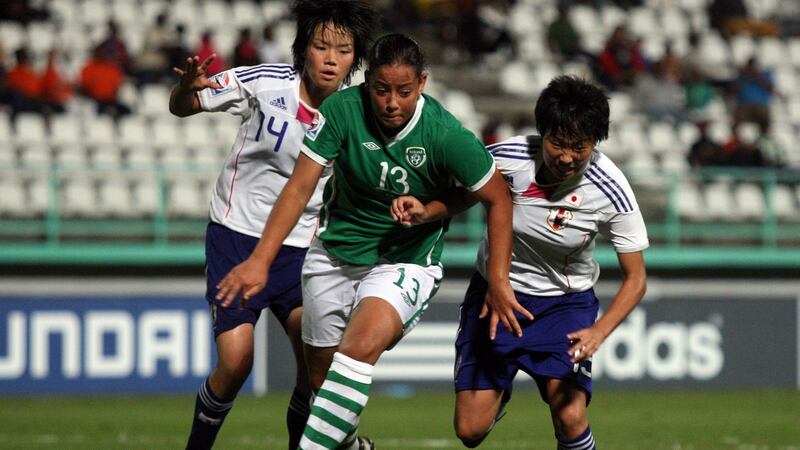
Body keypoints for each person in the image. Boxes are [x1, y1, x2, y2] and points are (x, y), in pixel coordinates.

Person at [215, 33, 526, 450]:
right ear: (366, 83)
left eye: (403, 91)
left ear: (423, 84)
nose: (391, 102)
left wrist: (497, 278)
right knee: (321, 384)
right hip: (333, 255)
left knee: (357, 350)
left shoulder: (446, 134)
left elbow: (497, 197)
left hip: (405, 259)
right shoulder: (341, 111)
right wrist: (260, 259)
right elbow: (299, 188)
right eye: (381, 90)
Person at [392, 75, 649, 449]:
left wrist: (599, 331)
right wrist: (428, 210)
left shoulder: (611, 189)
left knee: (570, 415)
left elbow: (636, 278)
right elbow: (464, 196)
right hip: (494, 297)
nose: (566, 157)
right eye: (557, 144)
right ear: (541, 133)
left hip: (564, 307)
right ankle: (500, 390)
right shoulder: (507, 158)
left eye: (579, 147)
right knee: (469, 430)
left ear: (595, 143)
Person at [168, 1, 379, 449]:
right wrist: (186, 89)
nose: (330, 58)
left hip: (303, 248)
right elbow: (185, 106)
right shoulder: (265, 83)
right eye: (321, 46)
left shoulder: (357, 113)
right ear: (303, 49)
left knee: (313, 366)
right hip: (236, 236)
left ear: (355, 58)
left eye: (342, 50)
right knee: (236, 362)